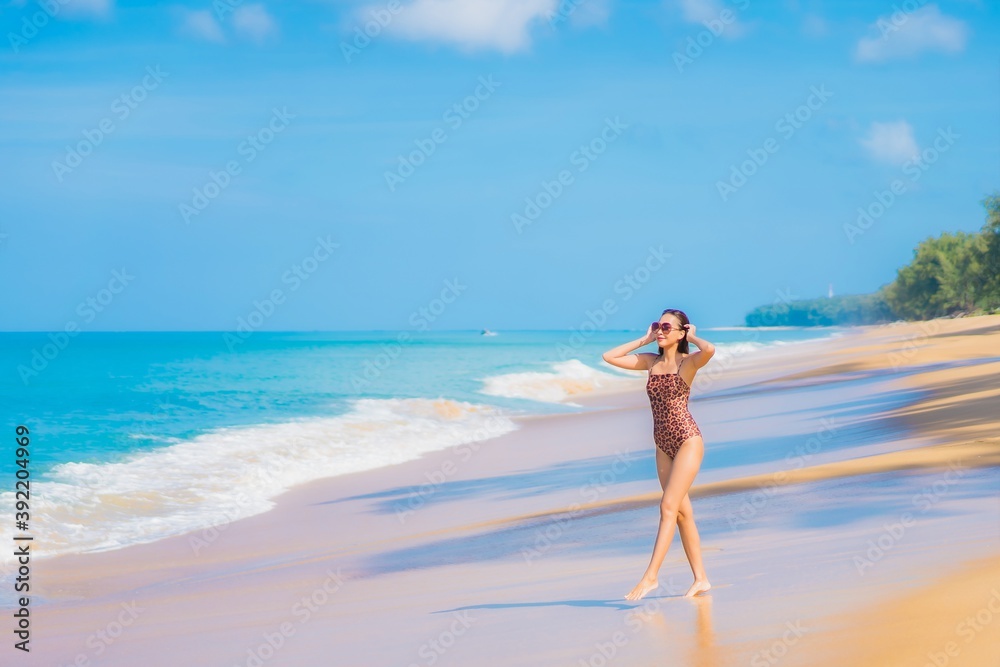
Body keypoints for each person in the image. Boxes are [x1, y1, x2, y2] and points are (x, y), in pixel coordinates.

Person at [601, 308, 715, 600]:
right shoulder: (650, 363)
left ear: (681, 332)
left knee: (667, 506)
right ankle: (701, 579)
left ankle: (651, 577)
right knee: (681, 514)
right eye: (657, 325)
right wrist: (645, 338)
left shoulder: (687, 364)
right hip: (662, 445)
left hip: (688, 439)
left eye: (666, 327)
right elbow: (609, 357)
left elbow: (710, 350)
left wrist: (695, 336)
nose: (661, 331)